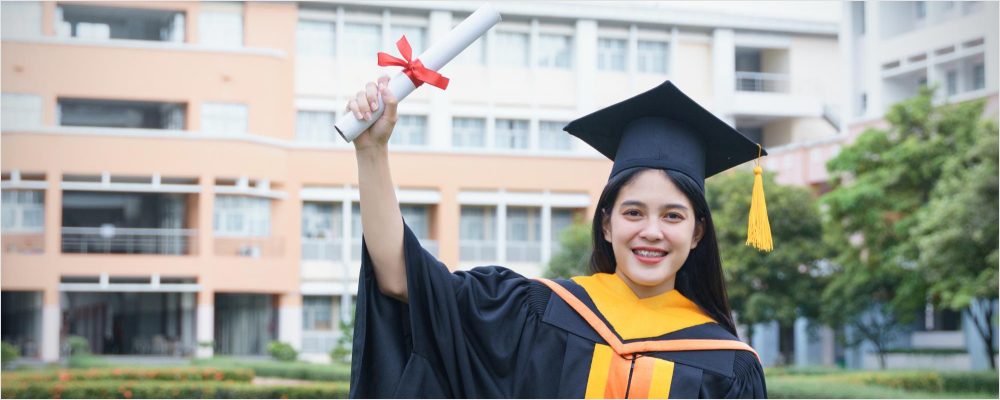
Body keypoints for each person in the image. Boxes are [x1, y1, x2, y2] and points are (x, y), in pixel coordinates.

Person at [346, 76, 768, 398]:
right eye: (633, 212)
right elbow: (402, 280)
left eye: (672, 216)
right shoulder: (533, 312)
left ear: (696, 233)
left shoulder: (726, 365)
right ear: (606, 224)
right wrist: (372, 151)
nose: (651, 232)